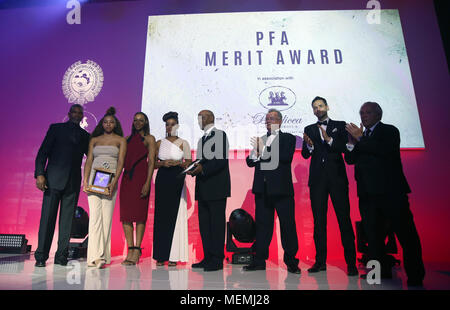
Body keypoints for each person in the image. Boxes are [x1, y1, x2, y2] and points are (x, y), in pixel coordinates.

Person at [345, 101, 425, 286]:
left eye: (368, 112)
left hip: (391, 193)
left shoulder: (389, 131)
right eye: (361, 112)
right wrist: (350, 143)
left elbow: (381, 150)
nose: (364, 115)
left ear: (378, 115)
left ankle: (415, 275)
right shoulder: (360, 136)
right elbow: (350, 160)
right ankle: (378, 274)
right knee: (373, 239)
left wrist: (361, 139)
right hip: (367, 195)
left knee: (406, 235)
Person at [301, 96, 358, 276]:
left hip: (337, 179)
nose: (317, 109)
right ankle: (320, 262)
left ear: (327, 107)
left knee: (344, 220)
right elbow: (304, 154)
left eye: (320, 106)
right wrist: (309, 147)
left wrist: (329, 140)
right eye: (314, 107)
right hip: (317, 180)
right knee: (319, 222)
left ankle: (351, 263)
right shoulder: (309, 128)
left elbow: (344, 147)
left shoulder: (340, 125)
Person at [243, 109, 301, 274]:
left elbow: (285, 157)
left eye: (272, 118)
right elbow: (250, 161)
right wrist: (256, 155)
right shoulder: (261, 139)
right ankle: (259, 261)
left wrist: (264, 152)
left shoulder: (288, 138)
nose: (268, 121)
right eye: (267, 119)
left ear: (280, 121)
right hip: (262, 190)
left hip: (282, 190)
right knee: (262, 226)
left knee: (288, 226)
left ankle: (291, 262)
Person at [34, 104, 90, 267]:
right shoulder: (56, 129)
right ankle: (41, 256)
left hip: (72, 183)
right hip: (52, 181)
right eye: (74, 112)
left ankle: (61, 256)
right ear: (69, 114)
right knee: (47, 220)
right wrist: (39, 174)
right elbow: (42, 153)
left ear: (82, 116)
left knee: (67, 223)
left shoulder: (85, 135)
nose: (77, 115)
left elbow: (92, 157)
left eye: (80, 113)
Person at [83, 107, 126, 269]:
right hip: (94, 180)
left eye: (111, 122)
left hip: (110, 181)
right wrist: (85, 181)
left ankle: (103, 255)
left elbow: (121, 163)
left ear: (115, 124)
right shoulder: (94, 140)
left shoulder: (120, 140)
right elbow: (88, 161)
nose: (108, 124)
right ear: (102, 124)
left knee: (106, 218)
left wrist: (114, 183)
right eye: (105, 122)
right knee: (94, 218)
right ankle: (94, 257)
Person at [187, 110, 231, 272]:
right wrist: (192, 167)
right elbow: (202, 161)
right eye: (198, 118)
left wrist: (202, 169)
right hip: (204, 188)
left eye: (203, 117)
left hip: (217, 187)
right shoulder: (202, 139)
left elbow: (220, 161)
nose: (200, 120)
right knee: (205, 225)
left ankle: (217, 259)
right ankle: (208, 257)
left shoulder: (220, 135)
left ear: (211, 118)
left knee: (217, 225)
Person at [153, 111, 192, 266]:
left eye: (172, 124)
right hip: (162, 178)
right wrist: (162, 163)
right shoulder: (158, 143)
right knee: (161, 216)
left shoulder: (184, 143)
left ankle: (173, 255)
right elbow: (153, 163)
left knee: (174, 216)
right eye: (167, 124)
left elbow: (189, 163)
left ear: (177, 126)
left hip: (177, 178)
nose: (170, 127)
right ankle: (160, 255)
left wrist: (177, 163)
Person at [119, 112, 156, 265]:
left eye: (141, 120)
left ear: (146, 122)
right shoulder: (126, 139)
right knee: (126, 216)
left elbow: (152, 161)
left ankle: (137, 249)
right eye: (135, 120)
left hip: (141, 179)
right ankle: (130, 248)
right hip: (127, 179)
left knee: (140, 216)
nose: (138, 123)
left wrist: (147, 183)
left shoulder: (149, 139)